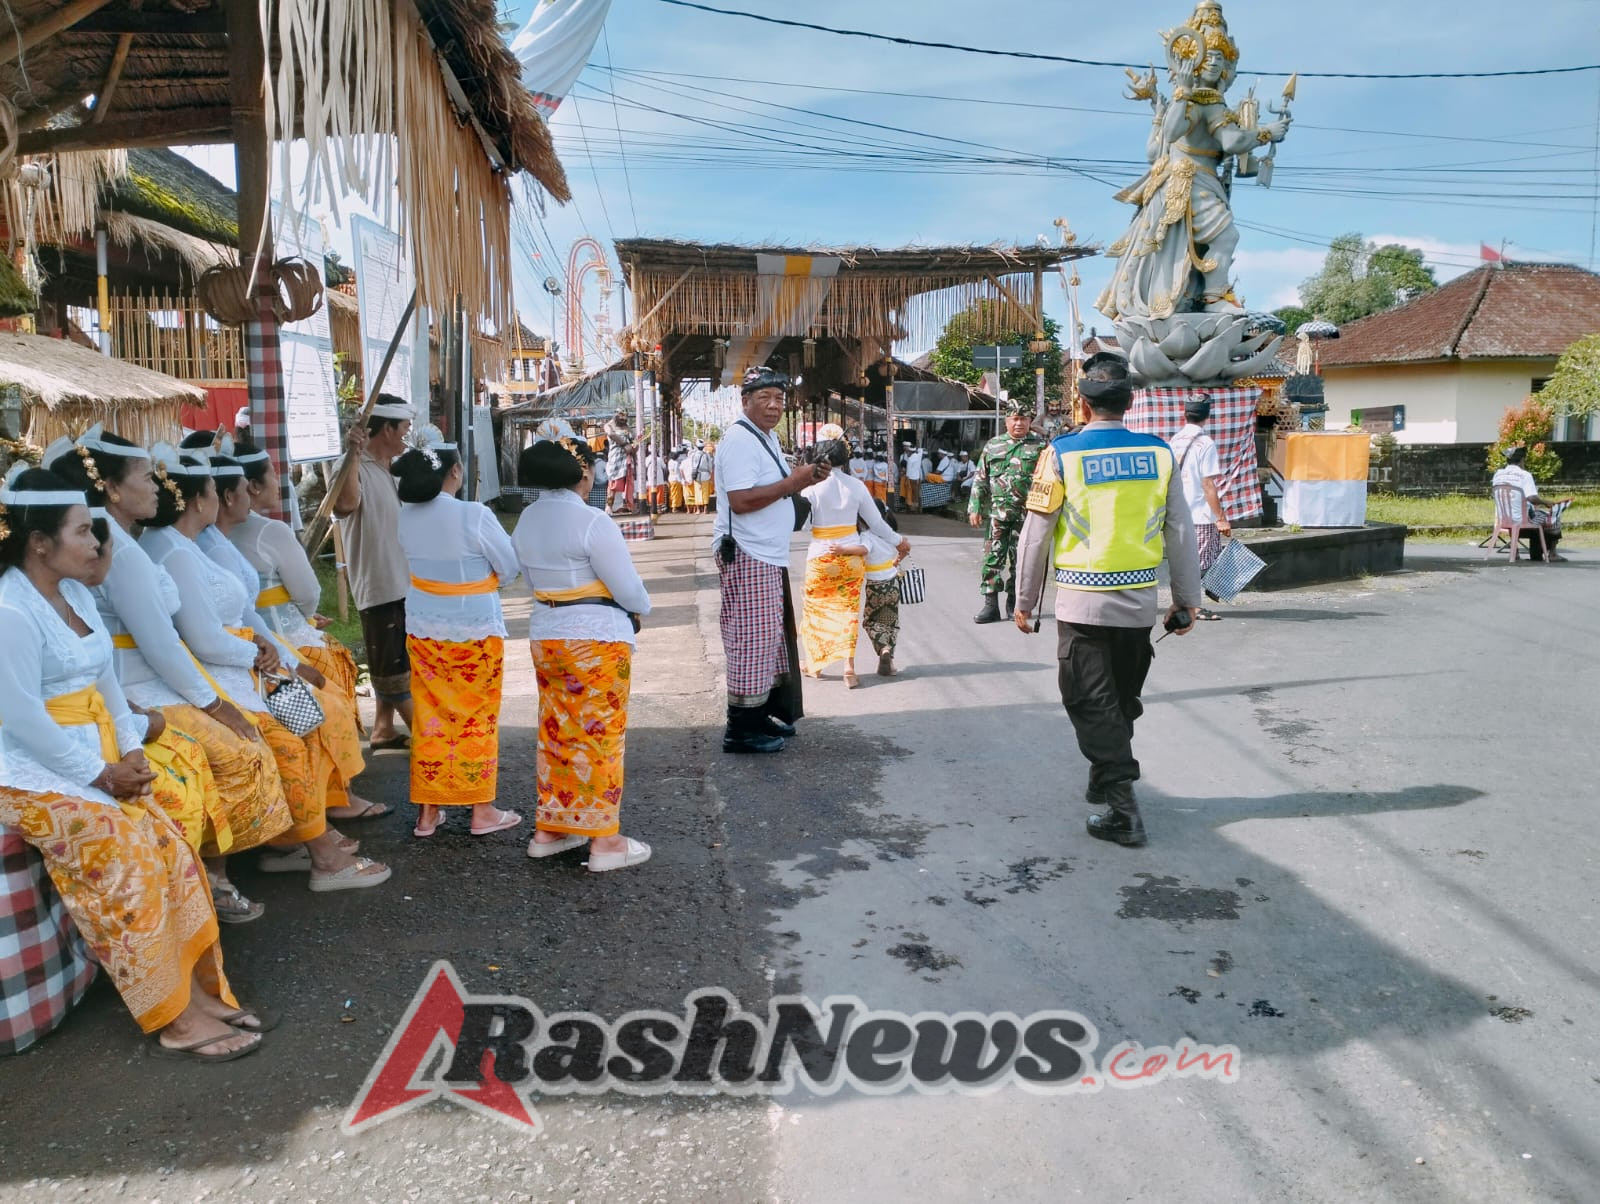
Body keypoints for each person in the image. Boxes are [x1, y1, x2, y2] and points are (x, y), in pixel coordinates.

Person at [0, 467, 270, 1062]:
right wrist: (98, 774)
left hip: (94, 756)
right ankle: (171, 1017)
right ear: (39, 542)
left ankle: (198, 994)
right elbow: (21, 719)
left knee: (172, 847)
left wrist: (126, 752)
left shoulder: (72, 594)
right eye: (82, 532)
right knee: (126, 856)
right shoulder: (11, 611)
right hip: (25, 773)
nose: (98, 543)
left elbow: (107, 688)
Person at [46, 429, 293, 918]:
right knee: (233, 748)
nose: (159, 484)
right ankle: (214, 877)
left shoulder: (129, 542)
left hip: (149, 683)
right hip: (138, 687)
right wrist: (216, 705)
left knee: (231, 745)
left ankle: (228, 866)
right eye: (145, 475)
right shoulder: (116, 549)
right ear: (112, 489)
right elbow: (160, 645)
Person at [142, 447, 389, 892]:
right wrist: (260, 655)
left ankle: (296, 838)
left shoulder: (189, 545)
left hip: (244, 664)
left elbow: (240, 617)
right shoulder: (175, 552)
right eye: (215, 491)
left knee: (310, 720)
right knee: (293, 739)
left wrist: (276, 655)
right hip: (225, 671)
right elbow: (203, 636)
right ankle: (321, 856)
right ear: (200, 500)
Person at [1013, 352, 1204, 849]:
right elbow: (1180, 532)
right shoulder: (1159, 454)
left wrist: (1025, 599)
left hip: (1080, 604)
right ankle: (1104, 777)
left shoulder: (1060, 453)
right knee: (1119, 699)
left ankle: (1124, 809)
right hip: (1139, 604)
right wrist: (1187, 599)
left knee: (1088, 699)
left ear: (1082, 402)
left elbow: (1036, 534)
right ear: (1130, 401)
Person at [222, 438, 385, 822]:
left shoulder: (214, 536)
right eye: (273, 474)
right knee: (331, 691)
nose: (281, 480)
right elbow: (308, 592)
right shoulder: (270, 531)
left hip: (253, 640)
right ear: (252, 488)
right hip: (283, 638)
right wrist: (305, 620)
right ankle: (339, 795)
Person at [513, 439, 654, 871]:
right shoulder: (593, 521)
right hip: (595, 638)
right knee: (600, 736)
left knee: (557, 731)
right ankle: (604, 841)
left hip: (547, 634)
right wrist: (641, 607)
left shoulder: (527, 518)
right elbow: (629, 590)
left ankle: (551, 828)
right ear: (586, 474)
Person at [393, 431, 521, 838]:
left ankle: (428, 813)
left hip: (423, 627)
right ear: (455, 472)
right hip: (474, 630)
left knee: (431, 718)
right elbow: (510, 566)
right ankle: (481, 809)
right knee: (475, 718)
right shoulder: (474, 515)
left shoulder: (404, 516)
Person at [714, 367, 828, 754]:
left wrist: (806, 478)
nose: (775, 406)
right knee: (750, 639)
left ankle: (759, 713)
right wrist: (794, 483)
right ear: (745, 401)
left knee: (770, 640)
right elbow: (741, 501)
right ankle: (740, 730)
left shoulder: (764, 439)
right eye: (765, 398)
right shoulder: (740, 441)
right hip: (748, 552)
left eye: (779, 399)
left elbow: (774, 490)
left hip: (765, 552)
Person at [332, 396, 415, 750]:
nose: (406, 438)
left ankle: (382, 728)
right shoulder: (353, 465)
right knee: (391, 665)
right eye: (404, 430)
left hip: (403, 580)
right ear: (386, 429)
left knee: (396, 659)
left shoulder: (392, 468)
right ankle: (431, 738)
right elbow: (345, 505)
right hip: (379, 582)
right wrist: (352, 453)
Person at [799, 436, 910, 687]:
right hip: (850, 560)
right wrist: (898, 540)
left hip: (821, 555)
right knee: (848, 613)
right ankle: (849, 669)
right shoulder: (856, 486)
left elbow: (805, 526)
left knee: (817, 611)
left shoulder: (810, 489)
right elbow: (878, 524)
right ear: (844, 459)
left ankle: (816, 665)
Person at [970, 398, 1048, 624]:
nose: (1019, 423)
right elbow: (980, 479)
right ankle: (990, 605)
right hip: (998, 515)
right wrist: (975, 507)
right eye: (1014, 419)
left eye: (1023, 419)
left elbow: (1049, 480)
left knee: (1021, 561)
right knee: (992, 558)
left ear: (1030, 421)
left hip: (1027, 516)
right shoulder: (993, 445)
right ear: (1006, 421)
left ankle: (1015, 603)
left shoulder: (1041, 446)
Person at [1168, 396, 1231, 619]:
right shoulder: (1205, 444)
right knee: (1200, 562)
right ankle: (1192, 605)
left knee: (1191, 558)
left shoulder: (1174, 441)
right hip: (1200, 512)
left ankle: (1193, 598)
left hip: (1178, 511)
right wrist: (1220, 517)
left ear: (1185, 414)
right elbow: (1208, 485)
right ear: (1207, 416)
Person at [1492, 446, 1566, 562]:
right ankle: (1552, 553)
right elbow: (1532, 498)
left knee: (1521, 514)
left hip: (1504, 519)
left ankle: (1514, 552)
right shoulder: (1524, 475)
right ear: (1522, 460)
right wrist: (1545, 502)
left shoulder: (1498, 474)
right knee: (1553, 517)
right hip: (1523, 521)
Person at [860, 500, 907, 677]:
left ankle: (883, 648)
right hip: (893, 584)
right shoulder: (891, 534)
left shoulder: (866, 536)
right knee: (891, 623)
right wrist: (896, 561)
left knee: (871, 621)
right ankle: (890, 662)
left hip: (875, 586)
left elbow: (862, 550)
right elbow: (904, 549)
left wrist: (842, 548)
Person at [604, 412, 634, 515]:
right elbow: (611, 434)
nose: (623, 418)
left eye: (625, 417)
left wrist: (633, 447)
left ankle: (627, 506)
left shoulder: (627, 428)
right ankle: (609, 506)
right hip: (615, 460)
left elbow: (634, 443)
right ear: (615, 416)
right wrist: (625, 444)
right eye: (621, 416)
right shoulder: (608, 425)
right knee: (613, 486)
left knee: (628, 484)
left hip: (627, 460)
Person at [690, 440, 714, 514]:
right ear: (703, 447)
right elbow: (710, 465)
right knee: (705, 492)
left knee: (697, 492)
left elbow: (692, 466)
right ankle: (705, 509)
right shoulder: (706, 455)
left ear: (697, 447)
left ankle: (698, 510)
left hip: (696, 475)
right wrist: (710, 473)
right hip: (705, 475)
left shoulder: (693, 455)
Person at [667, 445, 686, 513]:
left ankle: (672, 506)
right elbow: (677, 472)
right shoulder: (676, 463)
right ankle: (674, 507)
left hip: (671, 478)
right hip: (676, 479)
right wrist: (681, 481)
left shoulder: (670, 461)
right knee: (676, 494)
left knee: (672, 493)